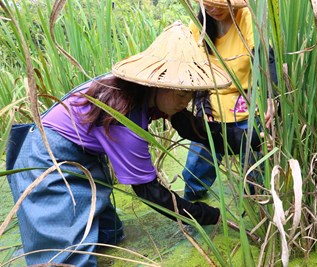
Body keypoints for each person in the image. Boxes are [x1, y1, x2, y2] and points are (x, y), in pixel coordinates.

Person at [5, 21, 263, 267]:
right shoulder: (124, 116)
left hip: (82, 156)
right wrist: (206, 215)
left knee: (109, 233)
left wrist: (245, 139)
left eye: (190, 95)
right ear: (159, 83)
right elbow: (151, 194)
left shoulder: (147, 93)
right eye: (182, 93)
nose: (185, 101)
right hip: (46, 157)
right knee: (66, 258)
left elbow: (189, 126)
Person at [182, 0, 278, 201]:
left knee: (254, 179)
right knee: (194, 174)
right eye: (208, 4)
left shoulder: (246, 17)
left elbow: (264, 55)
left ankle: (257, 211)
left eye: (220, 3)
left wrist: (271, 97)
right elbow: (196, 72)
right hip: (212, 113)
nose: (215, 9)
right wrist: (202, 106)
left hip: (247, 109)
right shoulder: (198, 27)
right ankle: (193, 214)